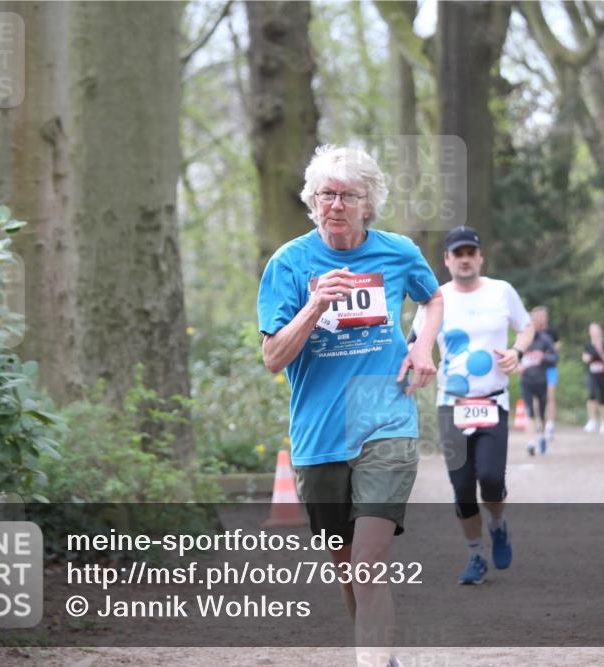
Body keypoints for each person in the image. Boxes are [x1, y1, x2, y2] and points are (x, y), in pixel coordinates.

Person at [257, 144, 443, 667]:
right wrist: (316, 304)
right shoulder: (289, 264)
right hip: (318, 435)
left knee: (367, 561)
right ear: (312, 201)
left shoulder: (398, 252)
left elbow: (432, 297)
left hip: (385, 421)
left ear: (369, 202)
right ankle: (379, 656)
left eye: (348, 195)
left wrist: (421, 345)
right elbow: (273, 357)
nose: (336, 205)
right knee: (349, 569)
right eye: (326, 194)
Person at [412, 225, 533, 585]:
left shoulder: (502, 292)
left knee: (492, 480)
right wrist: (412, 364)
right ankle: (476, 554)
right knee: (462, 487)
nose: (465, 260)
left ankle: (497, 524)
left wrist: (516, 351)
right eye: (457, 254)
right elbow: (416, 340)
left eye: (470, 253)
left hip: (493, 401)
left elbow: (526, 327)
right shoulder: (436, 298)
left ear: (480, 257)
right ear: (447, 260)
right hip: (452, 404)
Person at [520, 307, 559, 455]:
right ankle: (531, 442)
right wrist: (517, 364)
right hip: (526, 382)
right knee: (529, 411)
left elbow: (555, 358)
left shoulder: (545, 340)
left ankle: (542, 435)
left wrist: (543, 357)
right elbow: (515, 356)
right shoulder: (522, 340)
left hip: (541, 381)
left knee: (541, 414)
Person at [531, 306, 561, 442]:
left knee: (550, 395)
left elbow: (556, 348)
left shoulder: (551, 332)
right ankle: (539, 422)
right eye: (537, 316)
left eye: (542, 316)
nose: (540, 318)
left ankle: (550, 424)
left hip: (550, 368)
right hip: (536, 370)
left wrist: (544, 354)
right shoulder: (531, 332)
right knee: (537, 398)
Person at [582, 322, 604, 434]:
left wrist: (600, 352)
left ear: (600, 331)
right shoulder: (588, 345)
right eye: (592, 330)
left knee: (602, 398)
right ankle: (592, 420)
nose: (595, 332)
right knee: (591, 395)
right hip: (592, 374)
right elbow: (585, 358)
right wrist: (590, 355)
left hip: (603, 374)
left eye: (597, 330)